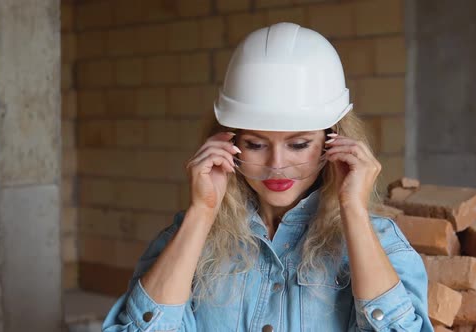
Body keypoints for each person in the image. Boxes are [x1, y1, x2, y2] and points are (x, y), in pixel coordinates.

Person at [102, 22, 433, 332]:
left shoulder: (381, 241)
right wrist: (202, 212)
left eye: (299, 144)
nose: (277, 165)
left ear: (333, 142)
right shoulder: (186, 238)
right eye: (256, 144)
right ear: (229, 143)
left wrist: (353, 210)